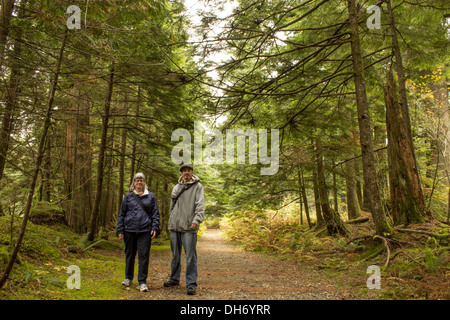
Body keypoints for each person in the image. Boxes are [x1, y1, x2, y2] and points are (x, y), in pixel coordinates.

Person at [164, 163, 205, 295]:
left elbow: (200, 205)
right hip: (175, 227)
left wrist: (196, 221)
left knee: (190, 257)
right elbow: (172, 207)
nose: (186, 173)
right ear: (181, 173)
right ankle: (174, 278)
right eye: (184, 171)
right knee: (175, 255)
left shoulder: (198, 187)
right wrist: (171, 223)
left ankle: (191, 283)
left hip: (189, 227)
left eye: (188, 170)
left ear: (192, 172)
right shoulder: (176, 187)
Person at [117, 172, 160, 292]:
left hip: (145, 231)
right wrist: (120, 229)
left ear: (144, 182)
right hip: (129, 230)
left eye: (141, 180)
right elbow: (122, 214)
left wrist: (154, 228)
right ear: (134, 183)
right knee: (130, 254)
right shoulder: (128, 197)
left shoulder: (151, 196)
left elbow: (155, 214)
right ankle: (128, 278)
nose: (139, 182)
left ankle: (142, 281)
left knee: (143, 256)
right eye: (137, 180)